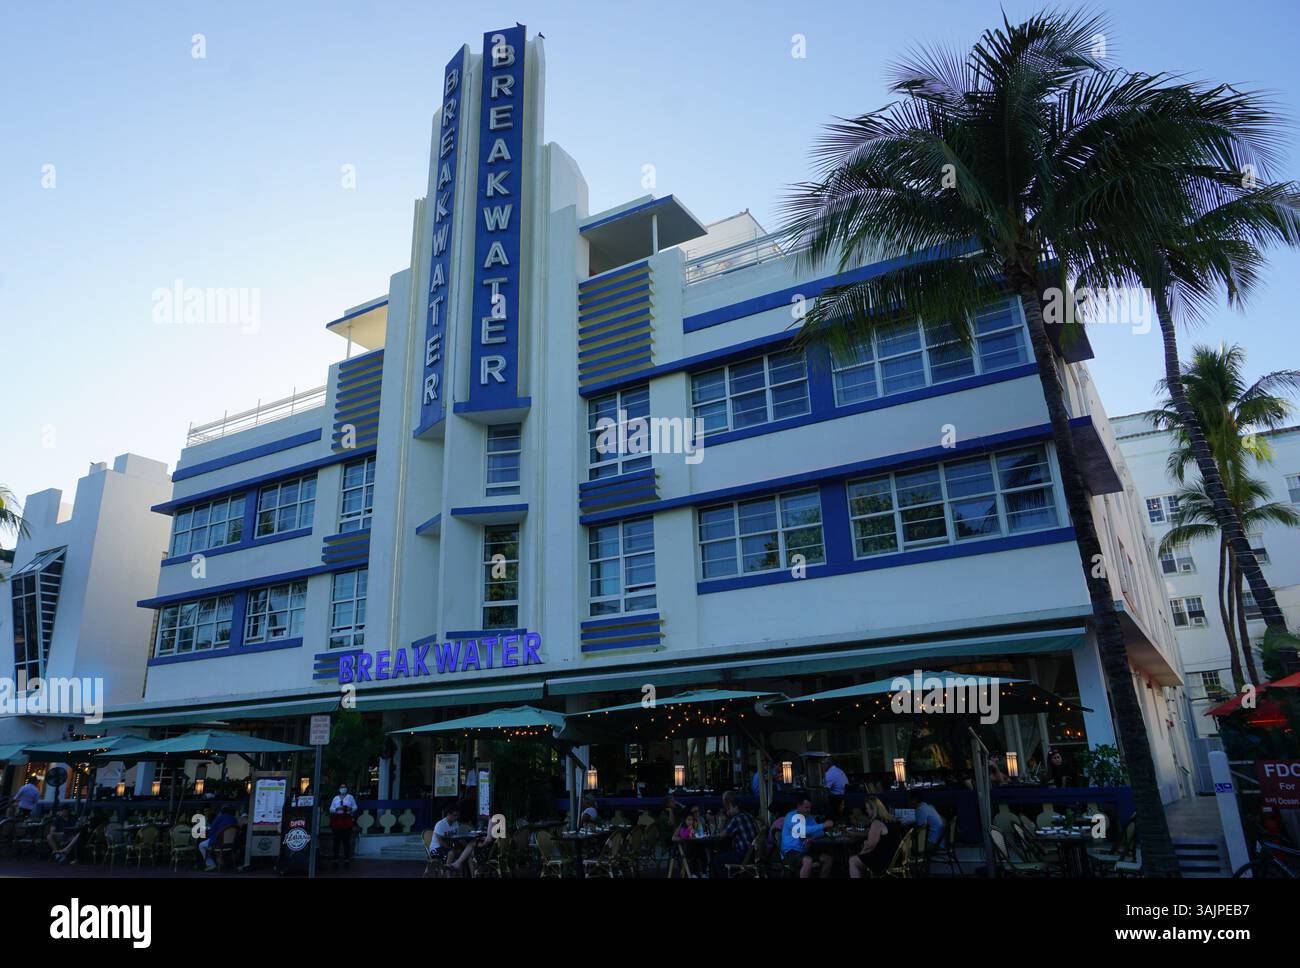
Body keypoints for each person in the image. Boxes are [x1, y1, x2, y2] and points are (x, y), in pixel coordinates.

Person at [849, 798, 905, 878]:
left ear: (873, 809)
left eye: (867, 809)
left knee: (853, 860)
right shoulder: (890, 819)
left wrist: (860, 854)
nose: (866, 811)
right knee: (861, 857)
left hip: (885, 860)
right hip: (895, 857)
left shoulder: (877, 823)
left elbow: (870, 846)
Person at [780, 795, 834, 878]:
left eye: (810, 807)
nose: (809, 810)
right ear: (799, 806)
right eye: (806, 807)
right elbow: (802, 830)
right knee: (808, 861)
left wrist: (811, 838)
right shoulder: (791, 816)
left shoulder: (809, 818)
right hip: (791, 852)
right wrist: (824, 825)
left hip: (804, 852)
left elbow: (820, 833)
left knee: (828, 859)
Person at [711, 790, 759, 878]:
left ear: (731, 806)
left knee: (717, 859)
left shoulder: (736, 819)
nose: (727, 810)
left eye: (728, 808)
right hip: (755, 855)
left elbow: (721, 836)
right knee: (725, 853)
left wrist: (721, 822)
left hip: (744, 855)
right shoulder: (749, 816)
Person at [329, 782, 359, 869]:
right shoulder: (335, 798)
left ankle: (346, 858)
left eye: (344, 787)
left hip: (347, 819)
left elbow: (355, 807)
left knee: (346, 840)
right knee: (336, 840)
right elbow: (331, 809)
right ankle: (335, 858)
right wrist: (337, 808)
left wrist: (350, 809)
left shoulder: (350, 797)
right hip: (337, 819)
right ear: (339, 789)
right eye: (341, 787)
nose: (343, 788)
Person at [199, 806, 237, 871]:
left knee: (201, 845)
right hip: (231, 844)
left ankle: (211, 864)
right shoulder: (234, 819)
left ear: (221, 812)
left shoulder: (219, 818)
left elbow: (212, 829)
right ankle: (221, 862)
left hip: (218, 843)